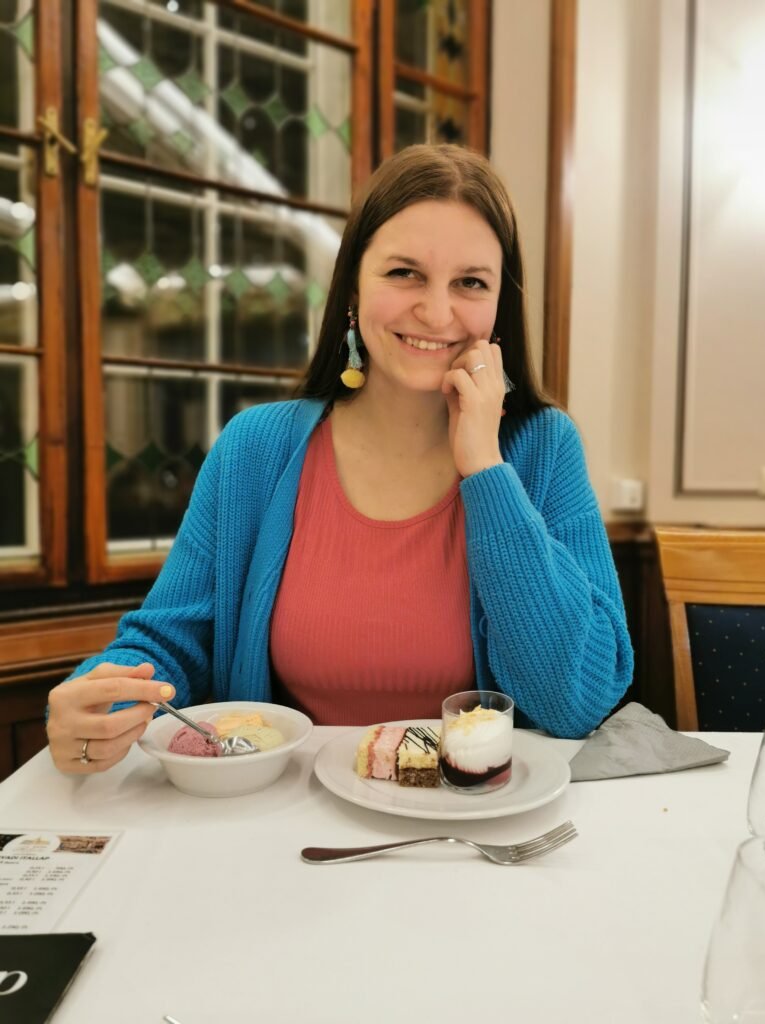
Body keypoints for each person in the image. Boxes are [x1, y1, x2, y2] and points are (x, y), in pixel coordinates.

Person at [47, 144, 634, 774]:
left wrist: (487, 469)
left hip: (480, 835)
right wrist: (98, 705)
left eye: (470, 282)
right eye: (404, 272)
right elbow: (171, 644)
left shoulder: (541, 447)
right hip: (290, 834)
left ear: (498, 306)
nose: (437, 312)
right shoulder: (256, 449)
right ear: (353, 284)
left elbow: (576, 703)